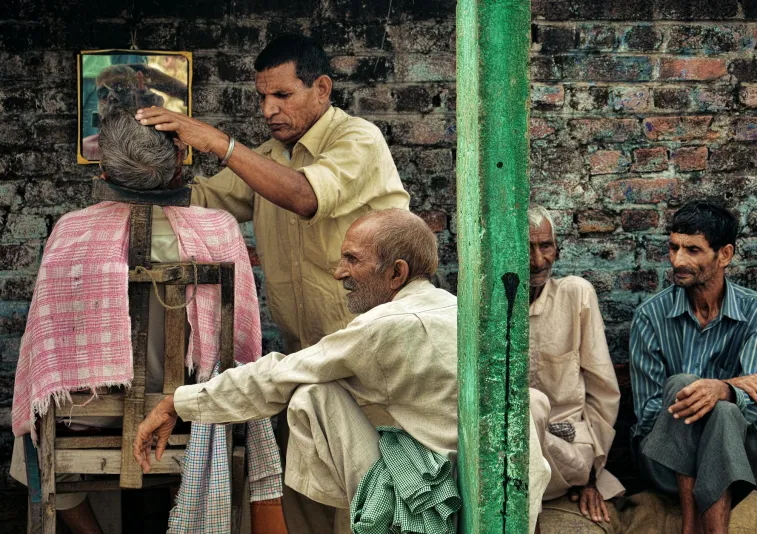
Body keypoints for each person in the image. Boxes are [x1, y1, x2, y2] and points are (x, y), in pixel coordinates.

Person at [12, 109, 276, 533]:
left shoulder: (71, 232)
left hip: (87, 412)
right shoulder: (220, 230)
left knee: (31, 431)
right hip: (190, 409)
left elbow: (44, 353)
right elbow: (243, 345)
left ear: (104, 169)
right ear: (178, 162)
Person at [134, 209, 460, 534]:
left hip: (431, 499)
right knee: (320, 386)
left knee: (308, 392)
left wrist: (175, 404)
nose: (338, 272)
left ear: (396, 273)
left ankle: (374, 521)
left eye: (352, 259)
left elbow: (280, 375)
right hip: (449, 479)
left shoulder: (385, 327)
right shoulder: (450, 304)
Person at [135, 34, 410, 353]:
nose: (268, 109)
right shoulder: (267, 159)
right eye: (263, 96)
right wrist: (168, 166)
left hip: (377, 347)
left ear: (321, 89)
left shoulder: (360, 139)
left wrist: (218, 143)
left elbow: (305, 196)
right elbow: (196, 202)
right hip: (306, 356)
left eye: (282, 94)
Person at [630, 200, 757, 534]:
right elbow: (646, 414)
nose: (678, 260)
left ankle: (692, 528)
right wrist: (723, 389)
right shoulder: (650, 316)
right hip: (663, 463)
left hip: (738, 461)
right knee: (686, 384)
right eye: (674, 248)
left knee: (727, 413)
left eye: (693, 250)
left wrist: (723, 391)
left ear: (724, 255)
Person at [526, 205, 624, 527]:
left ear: (558, 248)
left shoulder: (576, 294)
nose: (538, 261)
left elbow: (603, 392)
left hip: (567, 450)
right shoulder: (488, 306)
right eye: (526, 247)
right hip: (518, 449)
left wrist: (593, 477)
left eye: (546, 246)